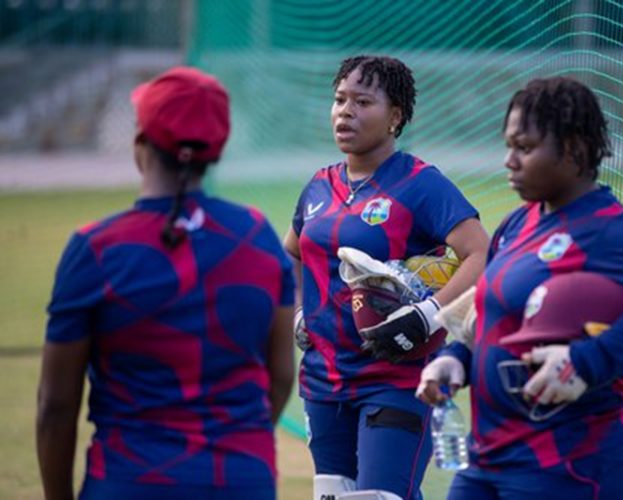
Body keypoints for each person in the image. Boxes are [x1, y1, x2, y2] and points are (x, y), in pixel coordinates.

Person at [417, 76, 623, 499]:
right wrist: (455, 358)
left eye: (525, 148)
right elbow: (486, 315)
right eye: (509, 146)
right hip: (490, 457)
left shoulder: (609, 229)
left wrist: (585, 361)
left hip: (573, 462)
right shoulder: (516, 223)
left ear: (575, 150)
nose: (510, 160)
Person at [36, 66, 296, 500]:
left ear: (141, 140)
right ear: (217, 148)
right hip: (241, 481)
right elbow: (281, 375)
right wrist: (237, 448)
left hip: (130, 483)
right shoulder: (257, 235)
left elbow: (56, 406)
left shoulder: (95, 247)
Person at [283, 55, 489, 500]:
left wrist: (428, 315)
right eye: (339, 100)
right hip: (324, 381)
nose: (345, 111)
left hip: (395, 380)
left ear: (395, 117)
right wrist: (300, 310)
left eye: (362, 101)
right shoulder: (318, 186)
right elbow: (292, 253)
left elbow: (480, 254)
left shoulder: (421, 184)